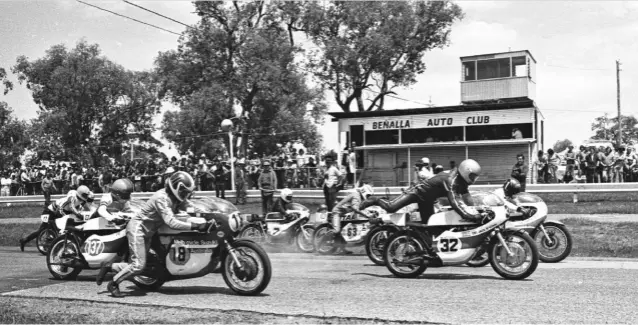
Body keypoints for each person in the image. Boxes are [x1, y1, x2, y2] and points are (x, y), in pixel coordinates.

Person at [96, 172, 212, 298]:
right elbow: (171, 222)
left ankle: (109, 266)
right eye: (183, 191)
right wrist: (195, 226)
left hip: (148, 232)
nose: (185, 195)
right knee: (138, 265)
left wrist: (209, 214)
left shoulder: (175, 198)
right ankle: (113, 283)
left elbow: (191, 206)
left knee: (142, 266)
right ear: (175, 187)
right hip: (137, 229)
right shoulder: (161, 198)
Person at [360, 159, 487, 230]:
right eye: (473, 176)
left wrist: (476, 210)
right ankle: (374, 199)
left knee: (430, 225)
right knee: (391, 207)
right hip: (416, 192)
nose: (474, 179)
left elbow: (467, 198)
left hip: (428, 199)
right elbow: (454, 202)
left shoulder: (462, 181)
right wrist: (468, 215)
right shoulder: (451, 180)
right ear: (466, 171)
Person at [19, 185, 95, 252]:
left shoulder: (81, 203)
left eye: (86, 195)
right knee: (42, 230)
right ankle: (24, 240)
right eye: (84, 195)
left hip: (63, 212)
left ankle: (61, 242)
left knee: (68, 226)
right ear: (80, 193)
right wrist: (76, 214)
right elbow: (67, 208)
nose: (86, 197)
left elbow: (79, 211)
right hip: (52, 211)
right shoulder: (72, 196)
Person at [331, 184, 375, 254]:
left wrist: (370, 213)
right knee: (336, 230)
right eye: (368, 195)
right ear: (364, 192)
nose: (368, 197)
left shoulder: (359, 197)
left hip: (344, 214)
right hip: (337, 213)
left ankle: (342, 249)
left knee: (343, 231)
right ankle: (320, 241)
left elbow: (361, 208)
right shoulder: (356, 196)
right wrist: (367, 216)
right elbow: (355, 209)